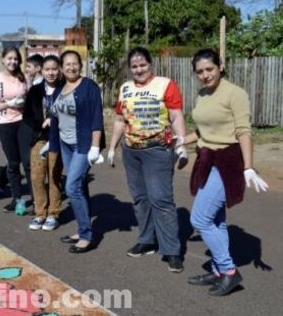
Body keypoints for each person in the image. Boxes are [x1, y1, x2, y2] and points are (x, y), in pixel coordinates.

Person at [179, 48, 268, 296]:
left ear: (220, 67)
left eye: (209, 69)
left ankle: (230, 272)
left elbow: (244, 131)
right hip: (207, 160)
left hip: (228, 161)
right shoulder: (202, 94)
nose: (205, 75)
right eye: (200, 72)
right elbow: (202, 131)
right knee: (215, 220)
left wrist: (249, 167)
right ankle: (219, 270)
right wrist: (180, 141)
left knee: (200, 219)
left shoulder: (234, 93)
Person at [107, 47, 186, 272]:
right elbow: (121, 120)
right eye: (134, 66)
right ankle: (147, 239)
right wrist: (112, 147)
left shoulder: (164, 84)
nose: (139, 69)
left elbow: (176, 114)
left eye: (143, 65)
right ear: (130, 69)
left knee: (161, 199)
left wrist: (181, 145)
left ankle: (171, 250)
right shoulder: (126, 88)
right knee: (140, 198)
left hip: (158, 150)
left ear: (150, 64)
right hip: (131, 151)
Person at [50, 50, 104, 253]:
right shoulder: (60, 89)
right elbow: (55, 117)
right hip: (66, 144)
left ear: (80, 66)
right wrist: (51, 142)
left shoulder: (89, 86)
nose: (71, 67)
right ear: (62, 68)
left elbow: (97, 117)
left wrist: (95, 146)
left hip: (83, 144)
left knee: (72, 187)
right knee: (80, 185)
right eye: (67, 64)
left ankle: (86, 235)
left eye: (75, 64)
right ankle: (83, 229)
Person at [23, 55, 63, 231]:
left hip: (58, 138)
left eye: (54, 69)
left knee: (54, 176)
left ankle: (53, 213)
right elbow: (27, 115)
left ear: (59, 69)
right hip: (39, 137)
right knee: (37, 176)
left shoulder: (64, 89)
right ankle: (40, 213)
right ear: (42, 71)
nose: (51, 73)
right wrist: (40, 124)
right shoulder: (35, 90)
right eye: (47, 69)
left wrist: (53, 120)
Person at [0, 47, 29, 215]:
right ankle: (17, 198)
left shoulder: (24, 78)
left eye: (16, 59)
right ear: (3, 60)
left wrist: (22, 103)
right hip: (5, 123)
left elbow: (31, 100)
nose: (13, 62)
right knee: (13, 163)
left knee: (27, 162)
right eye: (9, 58)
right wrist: (9, 104)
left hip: (23, 122)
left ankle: (37, 198)